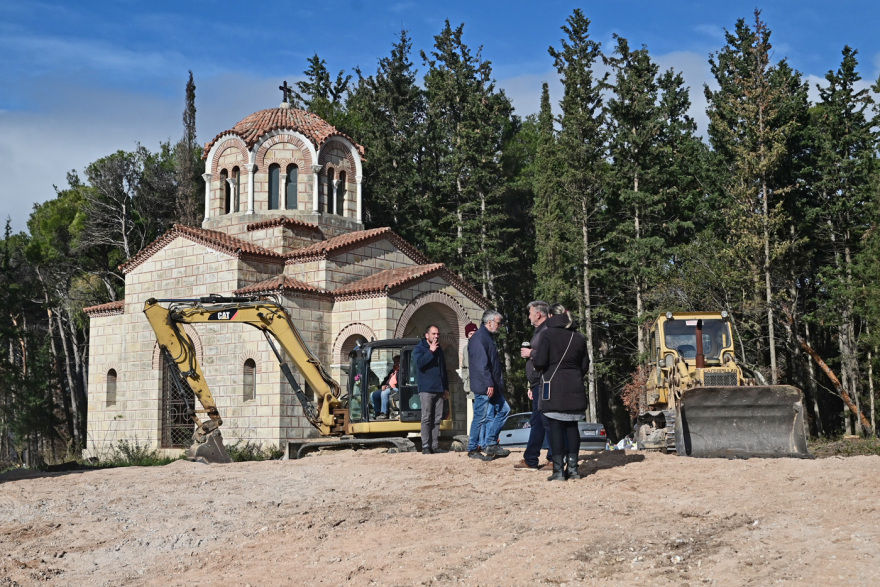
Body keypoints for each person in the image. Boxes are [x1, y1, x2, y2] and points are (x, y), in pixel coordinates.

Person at [532, 306, 590, 481]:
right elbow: (585, 365)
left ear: (550, 315)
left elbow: (540, 361)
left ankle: (558, 471)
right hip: (575, 387)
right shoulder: (579, 337)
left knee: (556, 427)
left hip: (554, 388)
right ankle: (573, 470)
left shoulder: (547, 335)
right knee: (572, 428)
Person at [467, 310, 511, 460]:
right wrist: (489, 384)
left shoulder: (488, 337)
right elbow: (481, 365)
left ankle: (491, 442)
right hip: (485, 386)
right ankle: (473, 448)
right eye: (498, 323)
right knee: (480, 416)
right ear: (489, 322)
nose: (499, 326)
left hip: (492, 385)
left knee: (505, 410)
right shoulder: (479, 338)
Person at [514, 300, 552, 471]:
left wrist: (531, 353)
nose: (528, 316)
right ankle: (531, 459)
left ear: (538, 314)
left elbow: (550, 356)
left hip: (545, 383)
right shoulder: (539, 332)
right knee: (537, 421)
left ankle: (553, 458)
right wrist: (531, 384)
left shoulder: (546, 332)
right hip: (538, 383)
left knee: (547, 420)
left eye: (530, 313)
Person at [412, 325, 449, 454]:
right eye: (434, 334)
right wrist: (430, 351)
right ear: (427, 335)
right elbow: (420, 364)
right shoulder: (419, 349)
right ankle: (426, 446)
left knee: (437, 418)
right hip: (426, 389)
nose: (436, 336)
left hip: (439, 388)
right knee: (427, 417)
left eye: (438, 334)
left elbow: (443, 369)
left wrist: (446, 388)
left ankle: (435, 445)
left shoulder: (439, 349)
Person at [456, 322, 478, 433]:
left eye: (475, 333)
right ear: (467, 335)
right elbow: (464, 367)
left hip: (482, 386)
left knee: (483, 415)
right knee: (476, 415)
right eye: (470, 333)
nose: (473, 335)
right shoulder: (465, 349)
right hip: (471, 387)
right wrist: (465, 379)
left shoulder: (482, 347)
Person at [371, 355, 400, 419]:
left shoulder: (402, 370)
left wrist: (389, 387)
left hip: (396, 388)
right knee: (373, 394)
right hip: (388, 387)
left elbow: (400, 382)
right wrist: (383, 386)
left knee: (384, 393)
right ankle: (377, 412)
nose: (396, 363)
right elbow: (386, 379)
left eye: (397, 361)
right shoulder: (393, 370)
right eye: (395, 361)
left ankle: (384, 413)